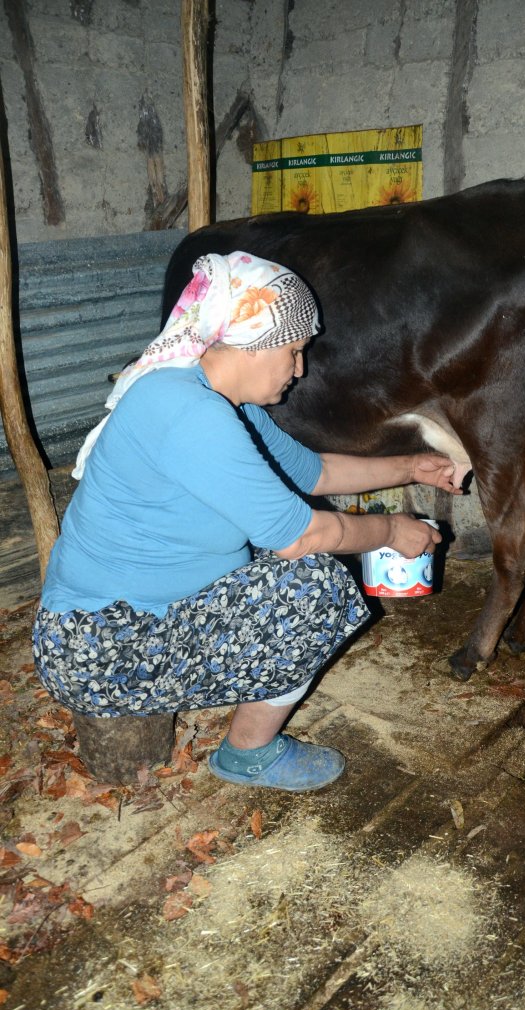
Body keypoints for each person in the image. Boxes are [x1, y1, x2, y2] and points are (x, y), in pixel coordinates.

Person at [33, 251, 462, 792]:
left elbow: (315, 471)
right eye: (295, 350)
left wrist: (410, 468)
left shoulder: (220, 403)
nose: (299, 369)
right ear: (250, 340)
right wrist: (392, 532)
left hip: (138, 617)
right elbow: (305, 535)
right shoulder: (189, 413)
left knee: (291, 553)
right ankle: (247, 754)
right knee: (315, 586)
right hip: (105, 644)